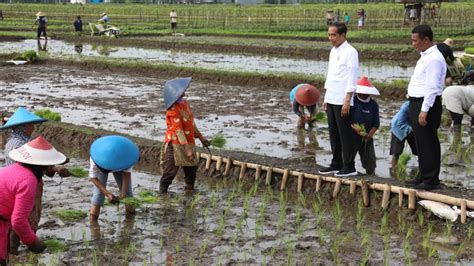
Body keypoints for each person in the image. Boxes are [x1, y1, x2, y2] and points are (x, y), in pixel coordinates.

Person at [1, 107, 69, 255]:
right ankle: (14, 246)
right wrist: (34, 242)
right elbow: (31, 164)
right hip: (19, 185)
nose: (33, 127)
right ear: (23, 126)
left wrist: (53, 166)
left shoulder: (22, 141)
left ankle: (11, 248)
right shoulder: (19, 144)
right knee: (23, 217)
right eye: (31, 124)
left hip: (13, 184)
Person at [405, 25, 447, 190]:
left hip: (426, 103)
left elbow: (432, 86)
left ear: (426, 40)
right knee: (421, 141)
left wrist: (424, 110)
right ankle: (423, 174)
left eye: (416, 40)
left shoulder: (434, 58)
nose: (413, 44)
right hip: (417, 102)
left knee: (428, 140)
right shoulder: (425, 56)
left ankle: (431, 180)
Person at [319, 22, 359, 177]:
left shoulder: (351, 52)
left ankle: (349, 166)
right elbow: (331, 76)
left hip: (343, 99)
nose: (331, 38)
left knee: (345, 133)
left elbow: (351, 76)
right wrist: (326, 97)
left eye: (334, 35)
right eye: (329, 35)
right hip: (332, 97)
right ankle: (336, 163)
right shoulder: (333, 51)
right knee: (333, 133)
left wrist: (348, 99)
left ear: (343, 35)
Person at [160, 77, 210, 194]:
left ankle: (189, 191)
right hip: (176, 144)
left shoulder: (185, 103)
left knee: (191, 168)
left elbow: (191, 123)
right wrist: (187, 148)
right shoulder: (173, 109)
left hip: (188, 141)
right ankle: (162, 193)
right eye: (182, 89)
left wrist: (202, 138)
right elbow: (179, 130)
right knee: (170, 171)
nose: (185, 90)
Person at [89, 135, 140, 222]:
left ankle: (130, 221)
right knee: (98, 196)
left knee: (128, 195)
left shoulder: (126, 157)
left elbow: (126, 174)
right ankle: (93, 223)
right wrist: (107, 194)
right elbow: (93, 178)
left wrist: (123, 193)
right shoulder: (97, 160)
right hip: (104, 162)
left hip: (121, 163)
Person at [350, 76, 380, 176]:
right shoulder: (352, 101)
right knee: (349, 156)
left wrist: (370, 134)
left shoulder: (373, 105)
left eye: (365, 93)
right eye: (360, 93)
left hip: (367, 135)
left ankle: (371, 176)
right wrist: (356, 129)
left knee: (369, 159)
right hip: (353, 134)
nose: (362, 95)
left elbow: (376, 122)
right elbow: (347, 119)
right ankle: (350, 172)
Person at [390, 101, 418, 169]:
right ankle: (394, 170)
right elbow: (400, 122)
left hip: (412, 127)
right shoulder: (406, 106)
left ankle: (422, 171)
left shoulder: (424, 106)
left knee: (418, 150)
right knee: (396, 152)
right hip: (398, 128)